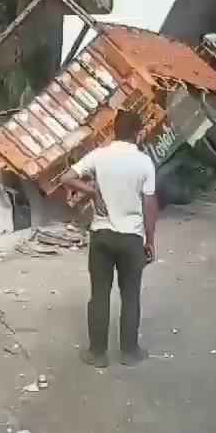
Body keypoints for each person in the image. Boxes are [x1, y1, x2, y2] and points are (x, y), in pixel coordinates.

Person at [61, 109, 158, 367]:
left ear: (115, 131)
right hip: (131, 238)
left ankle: (97, 354)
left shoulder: (99, 156)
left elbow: (66, 178)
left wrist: (92, 192)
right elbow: (150, 204)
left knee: (100, 294)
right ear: (137, 134)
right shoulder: (144, 162)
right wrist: (150, 240)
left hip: (102, 235)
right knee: (130, 295)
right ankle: (129, 352)